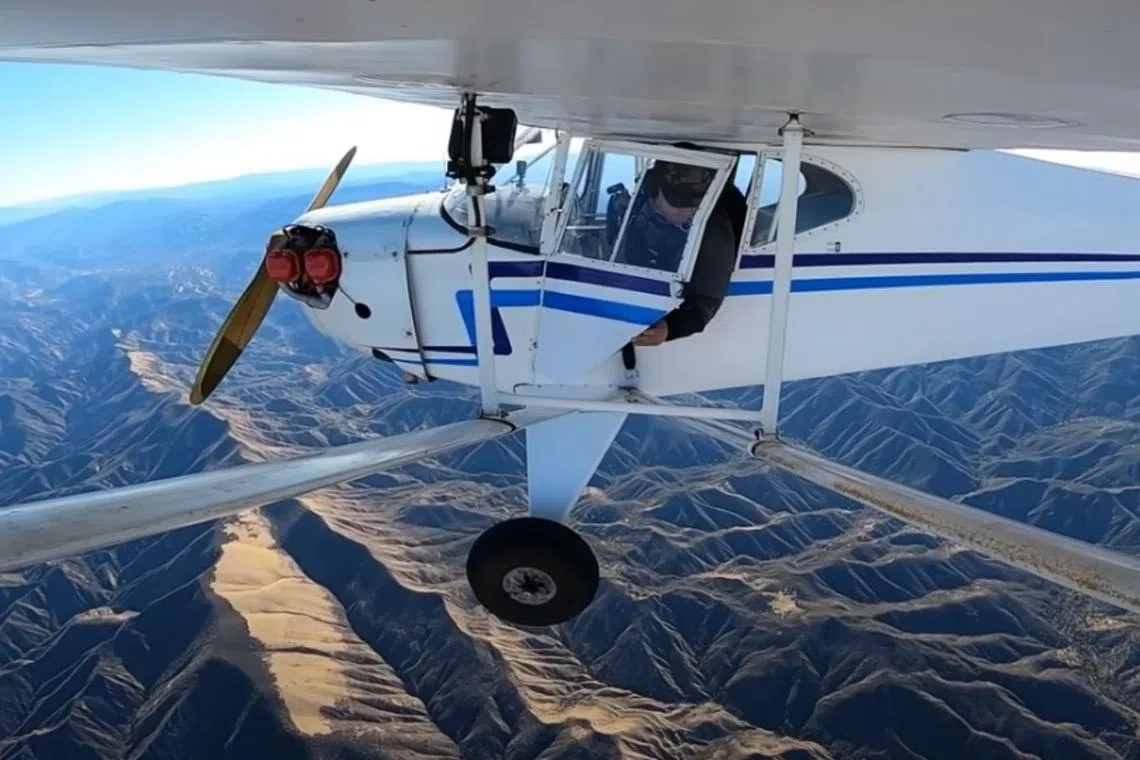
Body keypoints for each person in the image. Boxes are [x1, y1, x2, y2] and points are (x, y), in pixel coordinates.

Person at [617, 160, 738, 346]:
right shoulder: (639, 206)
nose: (689, 211)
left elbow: (705, 302)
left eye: (696, 203)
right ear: (656, 193)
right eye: (680, 202)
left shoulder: (713, 230)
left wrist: (670, 328)